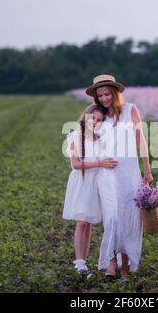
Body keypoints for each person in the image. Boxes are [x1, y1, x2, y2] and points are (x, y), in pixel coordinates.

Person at [86, 74, 154, 280]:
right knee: (112, 218)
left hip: (128, 173)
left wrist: (147, 168)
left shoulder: (130, 110)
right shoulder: (98, 115)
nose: (104, 98)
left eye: (107, 94)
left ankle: (125, 267)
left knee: (128, 218)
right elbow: (89, 141)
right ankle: (111, 263)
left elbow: (140, 138)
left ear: (115, 93)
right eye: (100, 96)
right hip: (106, 175)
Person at [62, 104, 118, 272]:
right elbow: (76, 164)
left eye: (99, 120)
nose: (95, 122)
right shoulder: (76, 136)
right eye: (93, 118)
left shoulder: (100, 139)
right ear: (86, 117)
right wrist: (100, 163)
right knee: (81, 221)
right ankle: (79, 262)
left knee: (89, 223)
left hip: (96, 182)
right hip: (82, 182)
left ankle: (84, 261)